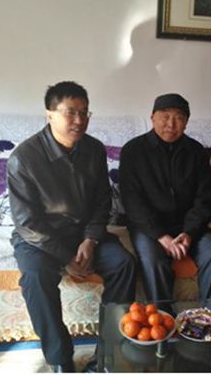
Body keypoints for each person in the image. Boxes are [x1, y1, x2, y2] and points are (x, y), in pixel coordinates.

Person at [8, 81, 136, 373]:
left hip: (85, 234)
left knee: (124, 264)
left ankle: (107, 355)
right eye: (70, 112)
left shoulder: (94, 149)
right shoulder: (24, 158)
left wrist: (90, 239)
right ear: (50, 114)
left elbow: (103, 200)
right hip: (40, 240)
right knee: (35, 277)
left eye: (84, 112)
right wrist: (66, 258)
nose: (79, 120)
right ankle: (60, 358)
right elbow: (27, 223)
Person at [119, 93, 211, 307]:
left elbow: (205, 198)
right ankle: (164, 319)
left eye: (179, 117)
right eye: (165, 116)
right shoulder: (133, 150)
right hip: (149, 228)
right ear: (152, 117)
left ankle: (210, 318)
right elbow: (132, 201)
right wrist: (162, 236)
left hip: (188, 226)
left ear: (186, 122)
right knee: (153, 261)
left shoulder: (196, 151)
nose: (171, 124)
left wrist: (189, 233)